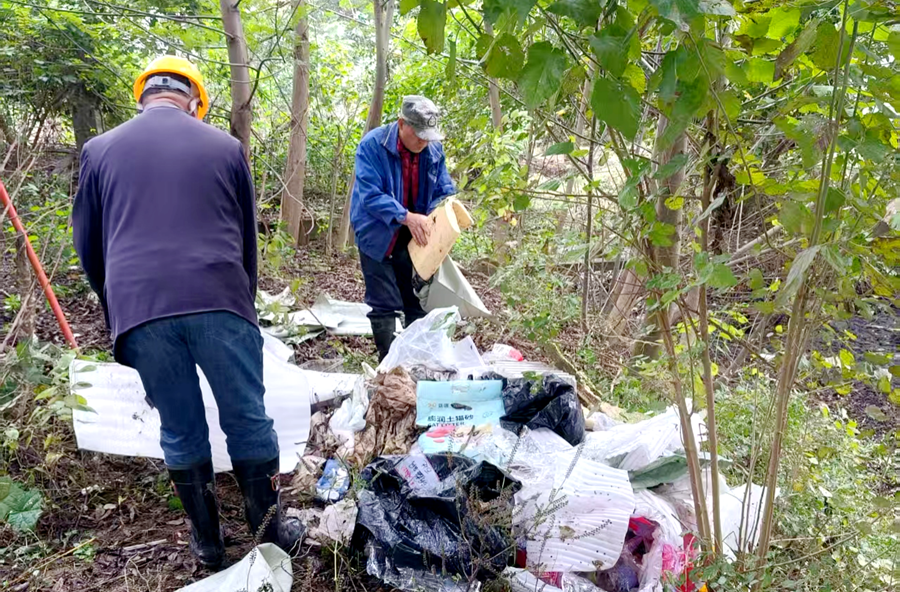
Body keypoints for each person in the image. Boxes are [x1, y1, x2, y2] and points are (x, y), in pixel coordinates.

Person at [72, 55, 300, 569]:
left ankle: (208, 545)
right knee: (247, 418)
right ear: (195, 101)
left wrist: (119, 305)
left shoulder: (99, 150)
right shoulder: (225, 147)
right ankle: (269, 534)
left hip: (139, 307)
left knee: (179, 429)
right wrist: (243, 302)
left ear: (142, 96)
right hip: (219, 296)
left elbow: (88, 245)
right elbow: (246, 238)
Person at [350, 95, 456, 360]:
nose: (423, 141)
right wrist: (405, 216)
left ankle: (413, 360)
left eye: (428, 136)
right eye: (418, 135)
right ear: (401, 124)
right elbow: (370, 195)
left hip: (416, 235)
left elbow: (444, 190)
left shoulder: (434, 150)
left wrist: (440, 215)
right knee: (383, 301)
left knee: (416, 298)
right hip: (377, 231)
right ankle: (388, 365)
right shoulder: (372, 146)